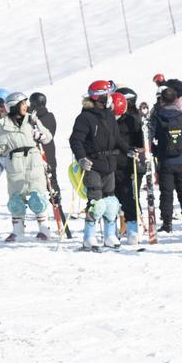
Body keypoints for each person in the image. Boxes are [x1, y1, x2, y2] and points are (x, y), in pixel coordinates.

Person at [0, 92, 53, 241]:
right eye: (23, 103)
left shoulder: (32, 120)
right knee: (16, 200)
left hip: (34, 161)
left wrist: (41, 135)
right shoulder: (4, 124)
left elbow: (47, 137)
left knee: (37, 198)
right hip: (15, 164)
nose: (26, 106)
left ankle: (44, 231)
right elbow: (1, 147)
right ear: (14, 106)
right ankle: (18, 231)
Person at [70, 80, 128, 250]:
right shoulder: (84, 117)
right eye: (107, 95)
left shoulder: (109, 115)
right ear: (98, 98)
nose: (109, 99)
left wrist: (128, 150)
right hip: (93, 164)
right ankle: (89, 237)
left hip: (109, 163)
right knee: (96, 201)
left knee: (110, 201)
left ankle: (110, 235)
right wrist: (81, 158)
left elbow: (116, 138)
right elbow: (76, 140)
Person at [149, 87, 182, 232]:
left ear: (161, 100)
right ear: (176, 100)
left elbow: (150, 138)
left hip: (165, 161)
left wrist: (156, 151)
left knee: (166, 193)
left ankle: (167, 223)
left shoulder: (157, 117)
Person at [114, 88, 146, 245]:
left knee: (130, 196)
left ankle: (133, 227)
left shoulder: (133, 119)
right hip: (121, 163)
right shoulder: (115, 118)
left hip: (130, 163)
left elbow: (139, 143)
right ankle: (125, 227)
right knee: (124, 197)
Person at [27, 93, 58, 195]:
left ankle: (54, 200)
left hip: (42, 155)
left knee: (48, 181)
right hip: (49, 153)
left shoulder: (34, 118)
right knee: (51, 180)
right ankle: (56, 201)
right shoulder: (49, 116)